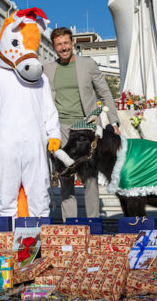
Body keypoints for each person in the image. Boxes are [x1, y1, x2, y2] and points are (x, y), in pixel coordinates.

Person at [0, 8, 61, 219]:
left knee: (40, 197)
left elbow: (49, 110)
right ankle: (9, 242)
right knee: (5, 199)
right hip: (5, 147)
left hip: (35, 146)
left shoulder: (41, 80)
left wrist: (54, 134)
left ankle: (39, 243)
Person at [44, 27, 120, 221]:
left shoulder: (88, 65)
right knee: (65, 177)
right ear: (54, 47)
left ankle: (93, 223)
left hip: (86, 127)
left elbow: (105, 93)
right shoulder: (47, 69)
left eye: (66, 43)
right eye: (59, 44)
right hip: (59, 128)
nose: (63, 47)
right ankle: (70, 224)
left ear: (72, 43)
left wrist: (113, 122)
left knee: (90, 178)